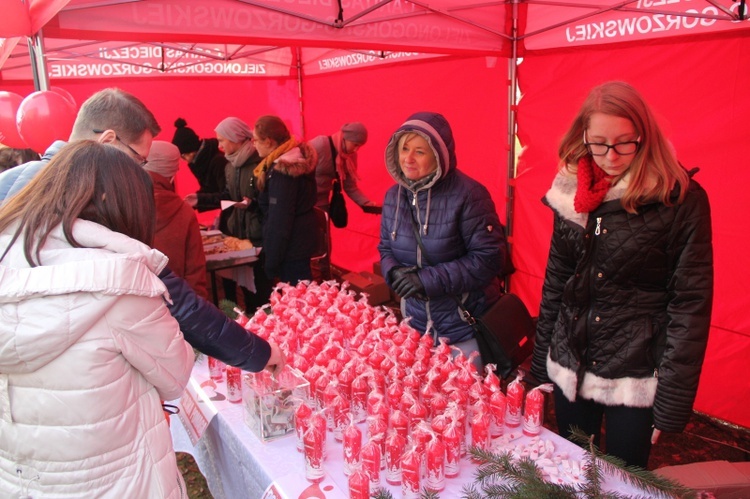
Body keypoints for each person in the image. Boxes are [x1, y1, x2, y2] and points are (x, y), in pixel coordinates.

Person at [0, 88, 284, 375]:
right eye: (139, 160)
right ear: (108, 140)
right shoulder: (99, 201)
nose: (140, 172)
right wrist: (257, 353)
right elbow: (176, 300)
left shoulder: (9, 182)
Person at [529, 81, 713, 469]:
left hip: (636, 374)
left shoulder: (678, 197)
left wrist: (672, 402)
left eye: (624, 142)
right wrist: (538, 364)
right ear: (584, 137)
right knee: (573, 470)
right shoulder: (569, 189)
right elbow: (558, 278)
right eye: (599, 143)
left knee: (625, 480)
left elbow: (690, 304)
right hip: (571, 364)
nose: (611, 156)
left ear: (644, 135)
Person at [0, 141, 194, 497]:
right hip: (117, 478)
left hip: (24, 477)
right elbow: (175, 374)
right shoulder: (120, 282)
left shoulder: (9, 258)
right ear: (117, 203)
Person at [378, 112, 508, 369]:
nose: (408, 159)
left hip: (462, 327)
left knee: (467, 403)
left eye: (419, 152)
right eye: (404, 148)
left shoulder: (469, 195)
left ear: (439, 155)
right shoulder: (394, 196)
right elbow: (385, 247)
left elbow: (489, 258)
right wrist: (393, 273)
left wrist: (425, 280)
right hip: (415, 328)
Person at [184, 117, 273, 312]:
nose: (220, 145)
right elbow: (226, 197)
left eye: (222, 140)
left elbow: (270, 203)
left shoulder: (261, 164)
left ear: (235, 138)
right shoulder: (229, 166)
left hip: (258, 238)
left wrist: (252, 204)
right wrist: (200, 199)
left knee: (261, 293)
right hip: (239, 236)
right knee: (245, 289)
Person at [308, 122, 382, 280]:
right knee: (307, 242)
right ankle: (307, 279)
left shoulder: (350, 157)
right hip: (304, 201)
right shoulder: (320, 144)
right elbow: (299, 165)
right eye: (355, 145)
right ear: (345, 137)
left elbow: (350, 186)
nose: (356, 150)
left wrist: (366, 203)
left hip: (322, 203)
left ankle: (323, 280)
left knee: (324, 244)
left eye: (359, 146)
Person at [253, 115, 319, 284]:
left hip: (291, 248)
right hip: (297, 243)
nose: (254, 144)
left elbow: (279, 220)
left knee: (297, 300)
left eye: (255, 140)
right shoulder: (291, 160)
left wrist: (272, 261)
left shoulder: (283, 172)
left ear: (268, 141)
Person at [145, 140, 208, 298]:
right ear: (172, 174)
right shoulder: (183, 211)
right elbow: (195, 273)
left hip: (135, 304)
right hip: (176, 301)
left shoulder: (120, 204)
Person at [172, 117, 227, 194]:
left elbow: (225, 195)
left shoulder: (218, 161)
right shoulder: (201, 162)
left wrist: (198, 200)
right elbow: (207, 189)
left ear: (191, 151)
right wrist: (196, 198)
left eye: (183, 156)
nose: (184, 160)